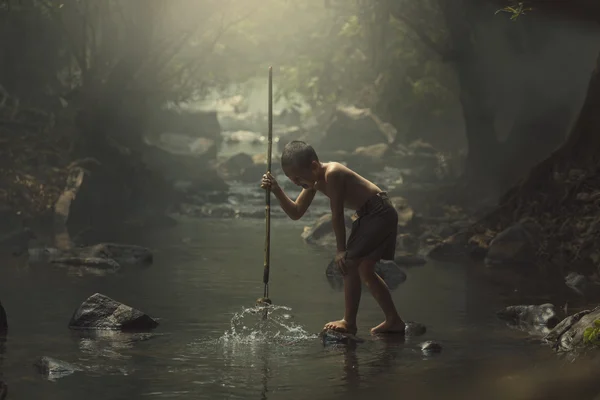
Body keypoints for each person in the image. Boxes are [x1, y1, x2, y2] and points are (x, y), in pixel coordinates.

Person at [260, 140, 405, 335]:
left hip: (377, 212)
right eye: (290, 179)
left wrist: (340, 251)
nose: (295, 182)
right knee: (366, 271)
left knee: (349, 263)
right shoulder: (314, 181)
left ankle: (349, 322)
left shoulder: (333, 173)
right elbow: (296, 212)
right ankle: (394, 320)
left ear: (313, 166)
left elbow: (336, 214)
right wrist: (276, 189)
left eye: (297, 177)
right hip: (371, 214)